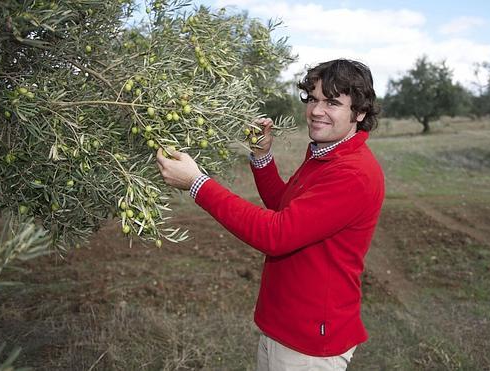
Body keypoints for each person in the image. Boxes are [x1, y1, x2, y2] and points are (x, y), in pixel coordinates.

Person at [156, 59, 385, 370]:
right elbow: (286, 207)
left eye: (332, 102)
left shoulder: (352, 173)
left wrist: (198, 184)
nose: (317, 110)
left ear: (359, 113)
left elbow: (276, 234)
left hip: (309, 343)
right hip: (287, 328)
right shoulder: (326, 154)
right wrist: (262, 156)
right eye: (313, 99)